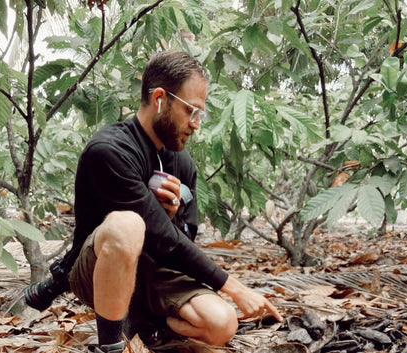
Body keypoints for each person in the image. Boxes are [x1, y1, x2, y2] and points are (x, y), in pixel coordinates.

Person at [28, 50, 282, 353]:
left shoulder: (182, 161)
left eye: (201, 114)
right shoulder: (111, 150)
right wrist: (235, 288)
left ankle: (145, 324)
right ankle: (111, 347)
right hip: (96, 270)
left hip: (156, 273)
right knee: (127, 225)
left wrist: (173, 217)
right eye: (191, 111)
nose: (196, 124)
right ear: (160, 98)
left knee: (222, 324)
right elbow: (160, 236)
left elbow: (185, 235)